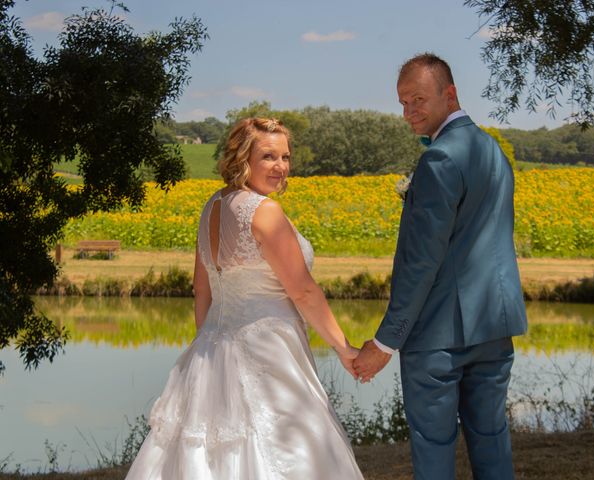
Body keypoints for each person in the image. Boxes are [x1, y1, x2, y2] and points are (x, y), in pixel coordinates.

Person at [125, 117, 364, 479]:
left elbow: (201, 289)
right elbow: (302, 290)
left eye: (285, 156)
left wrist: (208, 348)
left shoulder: (212, 207)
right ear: (242, 158)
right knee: (289, 448)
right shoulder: (264, 212)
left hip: (210, 352)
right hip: (269, 350)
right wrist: (344, 348)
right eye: (268, 156)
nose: (281, 166)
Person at [353, 52, 528, 479]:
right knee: (491, 439)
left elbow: (421, 262)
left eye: (417, 100)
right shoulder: (492, 150)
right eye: (402, 103)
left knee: (433, 449)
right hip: (494, 323)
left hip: (438, 336)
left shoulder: (439, 159)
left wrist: (385, 342)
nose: (409, 112)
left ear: (449, 95)